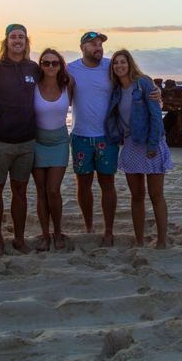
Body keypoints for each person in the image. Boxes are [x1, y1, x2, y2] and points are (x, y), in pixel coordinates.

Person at [106, 49, 173, 249]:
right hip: (130, 144)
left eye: (122, 62)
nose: (119, 66)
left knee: (156, 194)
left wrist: (153, 144)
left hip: (151, 142)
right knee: (136, 196)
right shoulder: (117, 90)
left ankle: (161, 241)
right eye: (116, 63)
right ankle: (139, 240)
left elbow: (155, 115)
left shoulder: (143, 83)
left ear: (130, 64)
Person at [0, 24, 40, 256]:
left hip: (27, 141)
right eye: (13, 37)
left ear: (26, 41)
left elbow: (56, 85)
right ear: (6, 41)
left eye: (21, 37)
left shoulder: (34, 68)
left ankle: (19, 239)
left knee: (20, 191)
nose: (17, 40)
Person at [67, 31, 118, 247]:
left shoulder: (111, 66)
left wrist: (155, 92)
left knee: (108, 183)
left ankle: (108, 230)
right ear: (83, 48)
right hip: (80, 135)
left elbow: (135, 79)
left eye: (100, 44)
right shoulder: (71, 69)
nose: (99, 47)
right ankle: (88, 226)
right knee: (83, 183)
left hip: (107, 136)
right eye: (93, 44)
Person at [32, 47, 73, 251]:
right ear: (40, 66)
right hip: (37, 142)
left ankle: (57, 232)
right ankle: (44, 234)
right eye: (45, 63)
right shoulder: (33, 87)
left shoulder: (68, 86)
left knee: (53, 190)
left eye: (54, 63)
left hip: (59, 142)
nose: (50, 66)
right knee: (41, 191)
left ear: (60, 66)